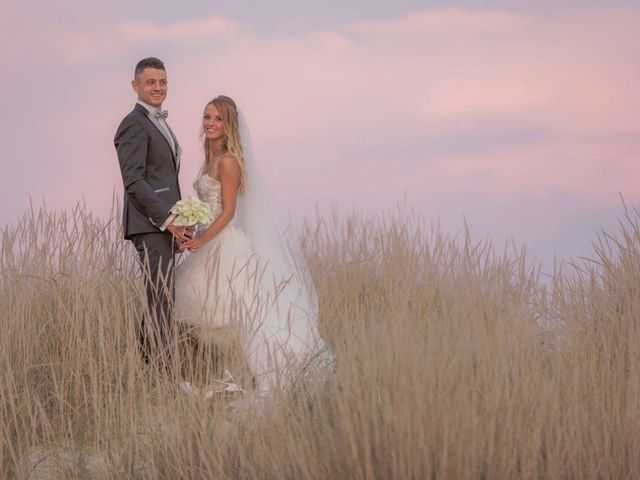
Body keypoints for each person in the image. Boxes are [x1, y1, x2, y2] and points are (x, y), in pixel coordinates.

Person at [174, 95, 330, 399]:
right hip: (205, 243)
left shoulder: (229, 162)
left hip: (222, 247)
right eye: (207, 117)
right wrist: (192, 227)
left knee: (242, 319)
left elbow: (228, 210)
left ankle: (256, 378)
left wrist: (203, 239)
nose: (211, 123)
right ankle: (216, 379)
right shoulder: (209, 159)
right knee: (201, 318)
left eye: (218, 119)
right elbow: (208, 207)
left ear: (229, 125)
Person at [114, 57, 189, 371]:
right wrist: (169, 220)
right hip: (150, 226)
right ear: (135, 86)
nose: (158, 88)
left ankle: (148, 372)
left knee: (159, 301)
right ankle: (165, 378)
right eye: (151, 82)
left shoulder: (160, 122)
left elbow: (164, 179)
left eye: (163, 82)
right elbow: (134, 180)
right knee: (160, 303)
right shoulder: (133, 123)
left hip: (164, 226)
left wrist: (180, 220)